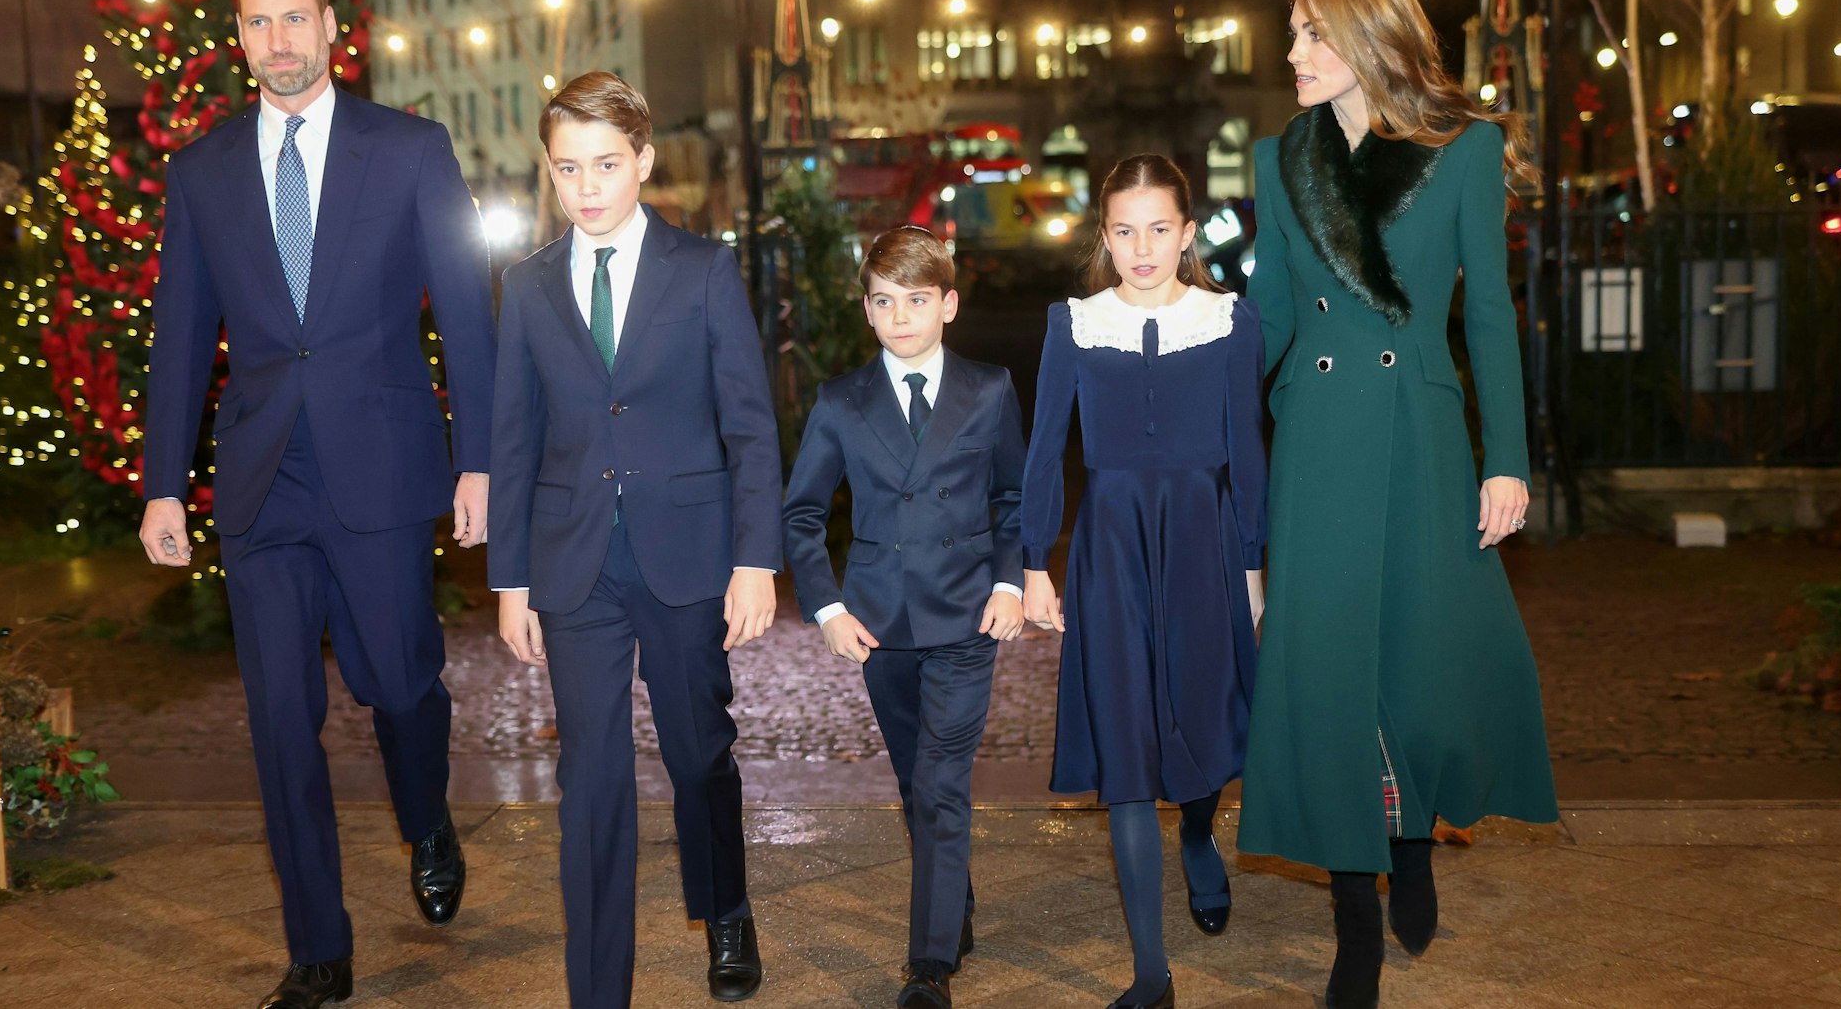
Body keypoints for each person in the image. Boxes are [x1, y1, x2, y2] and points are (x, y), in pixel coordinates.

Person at [138, 0, 495, 1009]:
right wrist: (164, 482)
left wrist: (478, 459)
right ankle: (318, 948)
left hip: (381, 471)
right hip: (260, 486)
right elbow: (178, 335)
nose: (279, 42)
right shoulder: (201, 173)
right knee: (279, 715)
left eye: (296, 19)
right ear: (238, 37)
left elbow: (467, 319)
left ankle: (426, 814)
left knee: (399, 682)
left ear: (331, 24)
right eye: (259, 24)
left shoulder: (410, 149)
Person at [1235, 0, 1559, 1009]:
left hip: (1421, 434)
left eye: (1308, 35)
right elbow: (1271, 318)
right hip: (1318, 438)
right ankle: (1351, 917)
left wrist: (1504, 454)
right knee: (1323, 671)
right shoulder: (1279, 157)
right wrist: (1191, 385)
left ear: (1364, 37)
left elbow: (1488, 317)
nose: (1289, 54)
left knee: (1418, 656)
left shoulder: (1463, 151)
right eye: (1290, 33)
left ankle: (1411, 837)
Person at [488, 72, 782, 1009]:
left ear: (644, 161)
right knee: (591, 779)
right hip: (575, 568)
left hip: (689, 555)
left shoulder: (702, 271)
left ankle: (724, 904)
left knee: (699, 750)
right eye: (569, 167)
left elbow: (750, 425)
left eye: (607, 165)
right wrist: (509, 577)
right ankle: (596, 987)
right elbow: (514, 436)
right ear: (551, 169)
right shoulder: (527, 286)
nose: (588, 186)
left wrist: (754, 559)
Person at [1022, 155, 1268, 1009]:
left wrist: (1254, 564)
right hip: (1110, 551)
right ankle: (1151, 974)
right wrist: (1032, 563)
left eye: (1158, 228)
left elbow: (1249, 452)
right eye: (1124, 230)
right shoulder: (1074, 324)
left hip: (1204, 544)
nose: (1141, 246)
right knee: (1127, 744)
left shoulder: (1232, 321)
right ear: (1104, 235)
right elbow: (1045, 444)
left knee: (1199, 714)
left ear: (1188, 232)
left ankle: (1199, 834)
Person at [781, 226, 1027, 1009]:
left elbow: (1015, 498)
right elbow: (802, 515)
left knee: (941, 784)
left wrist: (1011, 584)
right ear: (867, 309)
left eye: (917, 300)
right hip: (880, 622)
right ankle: (950, 901)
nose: (901, 316)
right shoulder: (841, 402)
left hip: (965, 621)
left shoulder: (989, 389)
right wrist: (825, 606)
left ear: (948, 304)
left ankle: (928, 965)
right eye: (885, 301)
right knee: (913, 780)